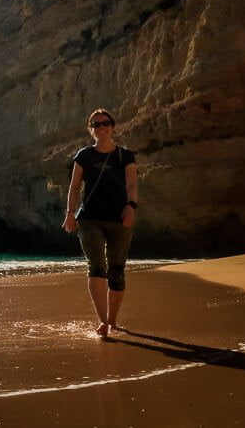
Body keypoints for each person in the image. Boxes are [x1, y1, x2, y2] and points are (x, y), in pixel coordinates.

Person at [62, 108, 139, 338]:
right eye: (96, 125)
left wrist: (131, 206)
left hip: (119, 218)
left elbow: (132, 185)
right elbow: (75, 186)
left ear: (113, 127)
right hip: (90, 219)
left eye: (105, 123)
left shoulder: (125, 156)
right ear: (91, 130)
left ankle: (113, 321)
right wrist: (69, 213)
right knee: (96, 266)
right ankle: (103, 322)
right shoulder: (84, 156)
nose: (101, 127)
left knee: (116, 270)